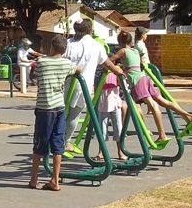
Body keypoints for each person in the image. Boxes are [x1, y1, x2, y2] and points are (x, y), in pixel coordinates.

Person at [112, 31, 192, 144]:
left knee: (152, 105)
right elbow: (132, 65)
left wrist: (110, 66)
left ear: (120, 43)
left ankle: (162, 134)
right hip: (144, 78)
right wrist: (122, 66)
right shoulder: (135, 51)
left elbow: (110, 60)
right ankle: (188, 116)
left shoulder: (123, 51)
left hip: (137, 81)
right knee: (163, 101)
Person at [28, 35, 83, 192]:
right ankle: (55, 180)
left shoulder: (42, 62)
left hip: (45, 107)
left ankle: (34, 178)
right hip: (59, 106)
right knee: (58, 143)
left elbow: (36, 75)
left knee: (39, 143)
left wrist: (43, 57)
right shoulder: (66, 64)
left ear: (52, 47)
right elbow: (78, 69)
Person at [62, 19, 123, 152]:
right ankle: (65, 142)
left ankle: (55, 140)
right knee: (74, 115)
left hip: (64, 84)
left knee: (61, 115)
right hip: (82, 86)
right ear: (90, 30)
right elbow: (106, 63)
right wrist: (117, 70)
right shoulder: (96, 45)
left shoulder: (68, 44)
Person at [96, 72, 126, 160]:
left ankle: (121, 151)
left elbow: (122, 84)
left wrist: (118, 74)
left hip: (115, 102)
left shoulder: (116, 71)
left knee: (118, 128)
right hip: (103, 102)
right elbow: (96, 85)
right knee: (102, 129)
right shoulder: (100, 72)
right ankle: (101, 152)